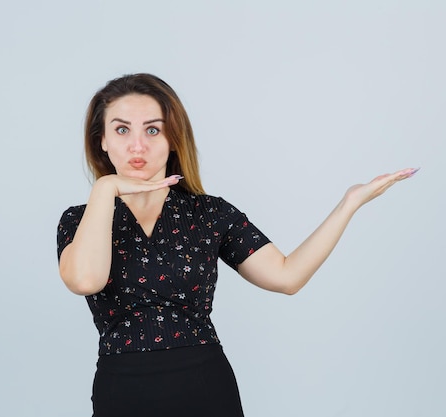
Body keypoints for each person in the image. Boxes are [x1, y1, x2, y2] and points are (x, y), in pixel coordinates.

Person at [56, 73, 418, 417]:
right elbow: (85, 280)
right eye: (122, 129)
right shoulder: (78, 220)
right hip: (123, 391)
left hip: (205, 387)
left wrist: (348, 204)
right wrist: (105, 188)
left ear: (173, 138)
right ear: (101, 139)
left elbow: (286, 277)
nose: (138, 145)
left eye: (153, 129)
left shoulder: (209, 213)